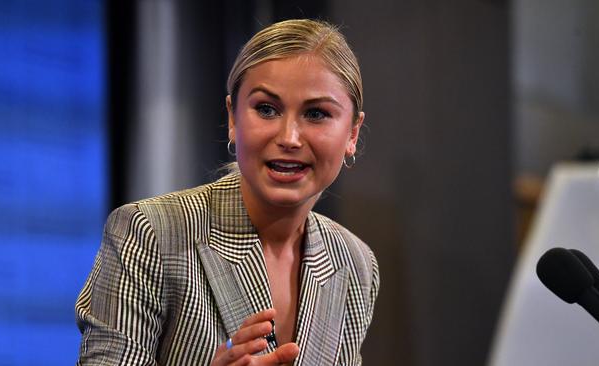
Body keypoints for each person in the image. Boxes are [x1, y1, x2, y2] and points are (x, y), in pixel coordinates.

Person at [75, 18, 379, 366]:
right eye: (267, 109)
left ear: (352, 134)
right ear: (233, 119)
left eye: (316, 113)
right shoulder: (149, 233)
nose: (289, 138)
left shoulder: (355, 263)